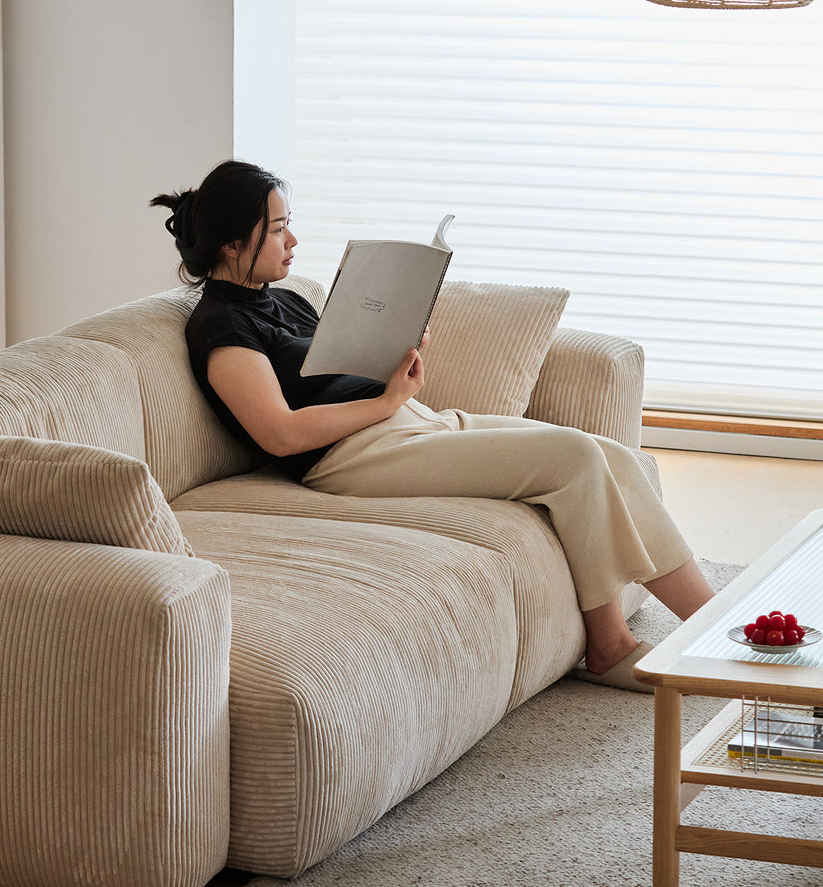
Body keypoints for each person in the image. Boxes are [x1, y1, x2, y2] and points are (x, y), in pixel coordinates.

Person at [151, 160, 714, 691]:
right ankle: (609, 645)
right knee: (572, 459)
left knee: (606, 452)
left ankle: (718, 625)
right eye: (277, 230)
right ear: (231, 244)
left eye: (288, 225)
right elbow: (279, 432)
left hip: (408, 422)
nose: (292, 242)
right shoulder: (221, 325)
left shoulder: (285, 300)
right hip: (355, 456)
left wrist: (396, 351)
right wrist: (386, 400)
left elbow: (333, 370)